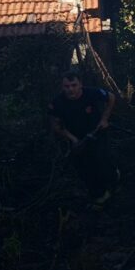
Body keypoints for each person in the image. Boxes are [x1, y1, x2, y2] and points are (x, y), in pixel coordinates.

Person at [50, 69, 118, 205]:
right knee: (85, 169)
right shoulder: (57, 102)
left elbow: (111, 97)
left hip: (97, 133)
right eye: (67, 86)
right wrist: (73, 139)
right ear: (62, 87)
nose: (70, 89)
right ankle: (100, 197)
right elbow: (56, 126)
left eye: (74, 85)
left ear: (80, 84)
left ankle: (114, 179)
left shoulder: (91, 92)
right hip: (77, 139)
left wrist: (104, 119)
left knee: (102, 161)